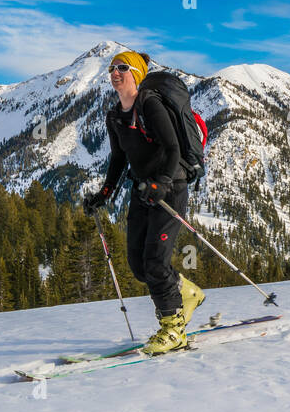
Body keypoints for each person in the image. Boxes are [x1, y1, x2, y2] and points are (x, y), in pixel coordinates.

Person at [83, 50, 204, 355]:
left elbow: (172, 147)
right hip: (141, 191)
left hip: (169, 189)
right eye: (112, 68)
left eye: (122, 67)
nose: (115, 72)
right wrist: (104, 194)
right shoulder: (114, 116)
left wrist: (162, 181)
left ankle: (174, 328)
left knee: (155, 261)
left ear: (136, 73)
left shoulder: (149, 104)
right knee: (139, 266)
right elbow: (119, 159)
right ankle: (186, 292)